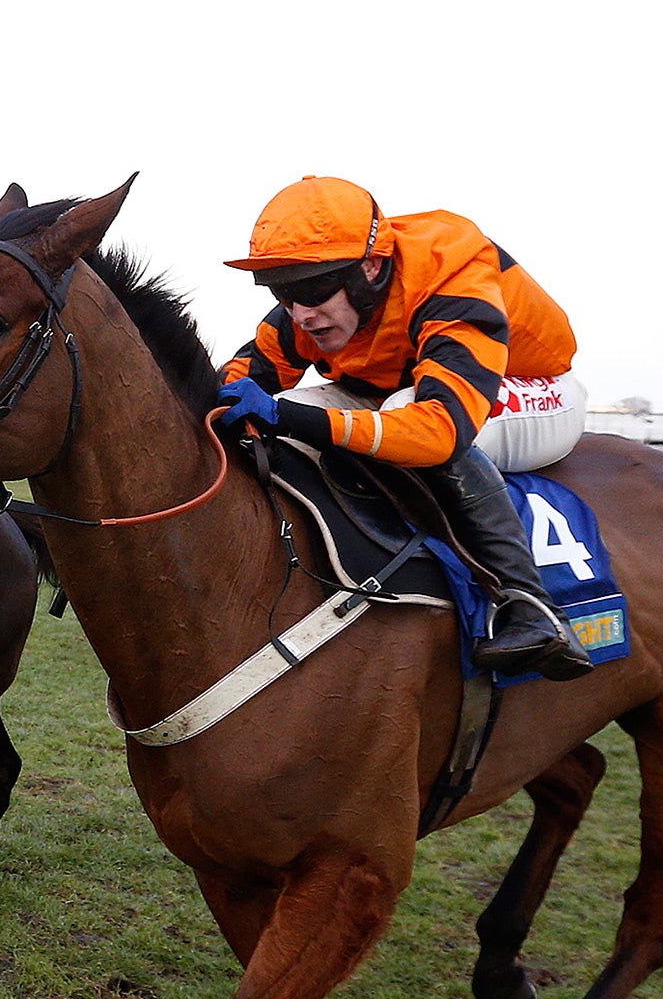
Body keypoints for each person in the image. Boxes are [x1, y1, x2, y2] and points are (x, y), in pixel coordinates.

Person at [216, 176, 594, 680]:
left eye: (310, 288)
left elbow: (439, 432)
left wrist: (287, 416)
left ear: (370, 267)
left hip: (531, 386)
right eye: (283, 291)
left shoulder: (450, 272)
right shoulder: (316, 306)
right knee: (288, 407)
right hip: (414, 390)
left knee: (398, 413)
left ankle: (531, 607)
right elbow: (243, 381)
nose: (300, 313)